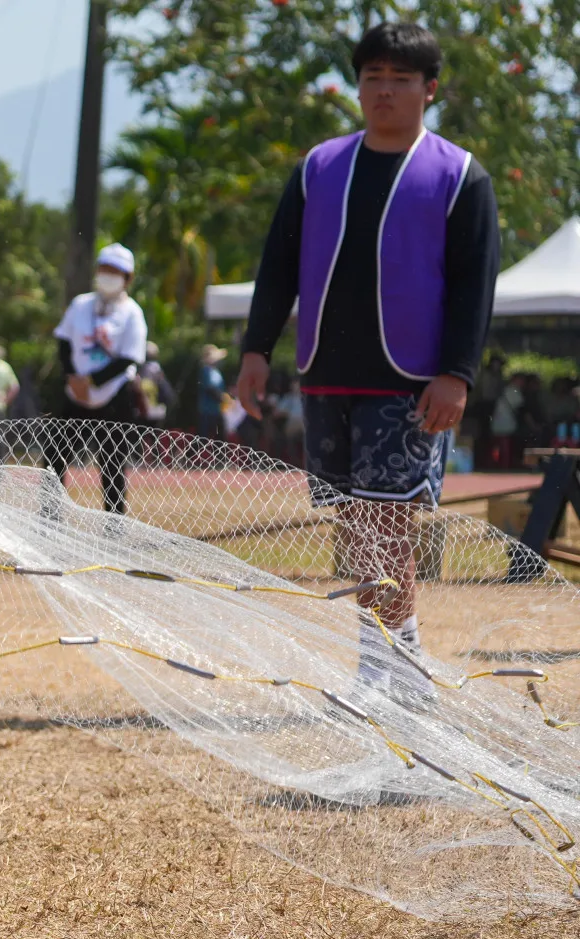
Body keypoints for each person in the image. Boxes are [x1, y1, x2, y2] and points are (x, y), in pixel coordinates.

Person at [236, 21, 499, 695]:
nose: (383, 91)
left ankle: (387, 677)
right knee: (358, 533)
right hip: (326, 376)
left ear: (429, 90)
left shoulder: (460, 175)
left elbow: (475, 283)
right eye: (372, 77)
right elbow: (278, 267)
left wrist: (457, 373)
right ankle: (394, 666)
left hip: (411, 383)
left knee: (386, 526)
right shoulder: (319, 167)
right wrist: (257, 350)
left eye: (400, 79)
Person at [49, 242, 147, 516]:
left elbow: (129, 357)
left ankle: (113, 524)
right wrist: (72, 377)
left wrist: (91, 382)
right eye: (104, 268)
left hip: (114, 395)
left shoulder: (132, 313)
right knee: (55, 456)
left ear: (128, 278)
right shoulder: (81, 304)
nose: (108, 275)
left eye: (116, 271)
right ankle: (49, 517)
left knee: (113, 462)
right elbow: (64, 341)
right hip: (74, 394)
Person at [196, 343, 228, 438]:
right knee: (203, 438)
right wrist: (223, 398)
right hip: (207, 411)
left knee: (218, 438)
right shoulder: (206, 371)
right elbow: (210, 388)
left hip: (216, 410)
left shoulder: (215, 371)